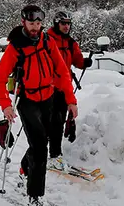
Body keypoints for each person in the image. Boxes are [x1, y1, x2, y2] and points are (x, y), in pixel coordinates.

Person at [0, 5, 78, 206]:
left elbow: (63, 72)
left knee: (41, 141)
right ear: (24, 22)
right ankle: (35, 196)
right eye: (32, 23)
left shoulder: (47, 41)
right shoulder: (15, 48)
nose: (35, 27)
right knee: (40, 148)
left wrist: (71, 100)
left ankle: (24, 168)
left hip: (48, 97)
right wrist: (6, 105)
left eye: (39, 23)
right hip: (27, 101)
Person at [45, 11, 92, 167]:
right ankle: (47, 154)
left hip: (64, 87)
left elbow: (77, 60)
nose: (66, 26)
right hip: (47, 87)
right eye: (63, 23)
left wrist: (84, 62)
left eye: (68, 23)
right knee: (50, 122)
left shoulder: (71, 43)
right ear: (56, 24)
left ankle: (54, 154)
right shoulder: (47, 40)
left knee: (59, 120)